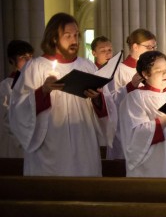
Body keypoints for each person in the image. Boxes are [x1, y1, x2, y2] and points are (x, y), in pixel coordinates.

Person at [10, 12, 114, 176]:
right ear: (53, 38)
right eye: (68, 36)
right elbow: (17, 109)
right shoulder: (35, 67)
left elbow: (106, 103)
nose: (75, 41)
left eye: (76, 35)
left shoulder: (87, 67)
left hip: (83, 145)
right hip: (49, 149)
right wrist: (42, 92)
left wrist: (97, 99)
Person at [106, 28, 157, 159]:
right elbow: (110, 102)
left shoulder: (154, 70)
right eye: (149, 47)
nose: (153, 51)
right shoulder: (118, 70)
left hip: (148, 129)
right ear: (135, 46)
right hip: (125, 130)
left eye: (154, 47)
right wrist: (131, 85)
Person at [1, 40, 34, 157]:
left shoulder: (35, 83)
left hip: (33, 139)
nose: (29, 60)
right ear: (12, 60)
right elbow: (5, 119)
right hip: (16, 145)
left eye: (31, 56)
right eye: (23, 57)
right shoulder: (6, 86)